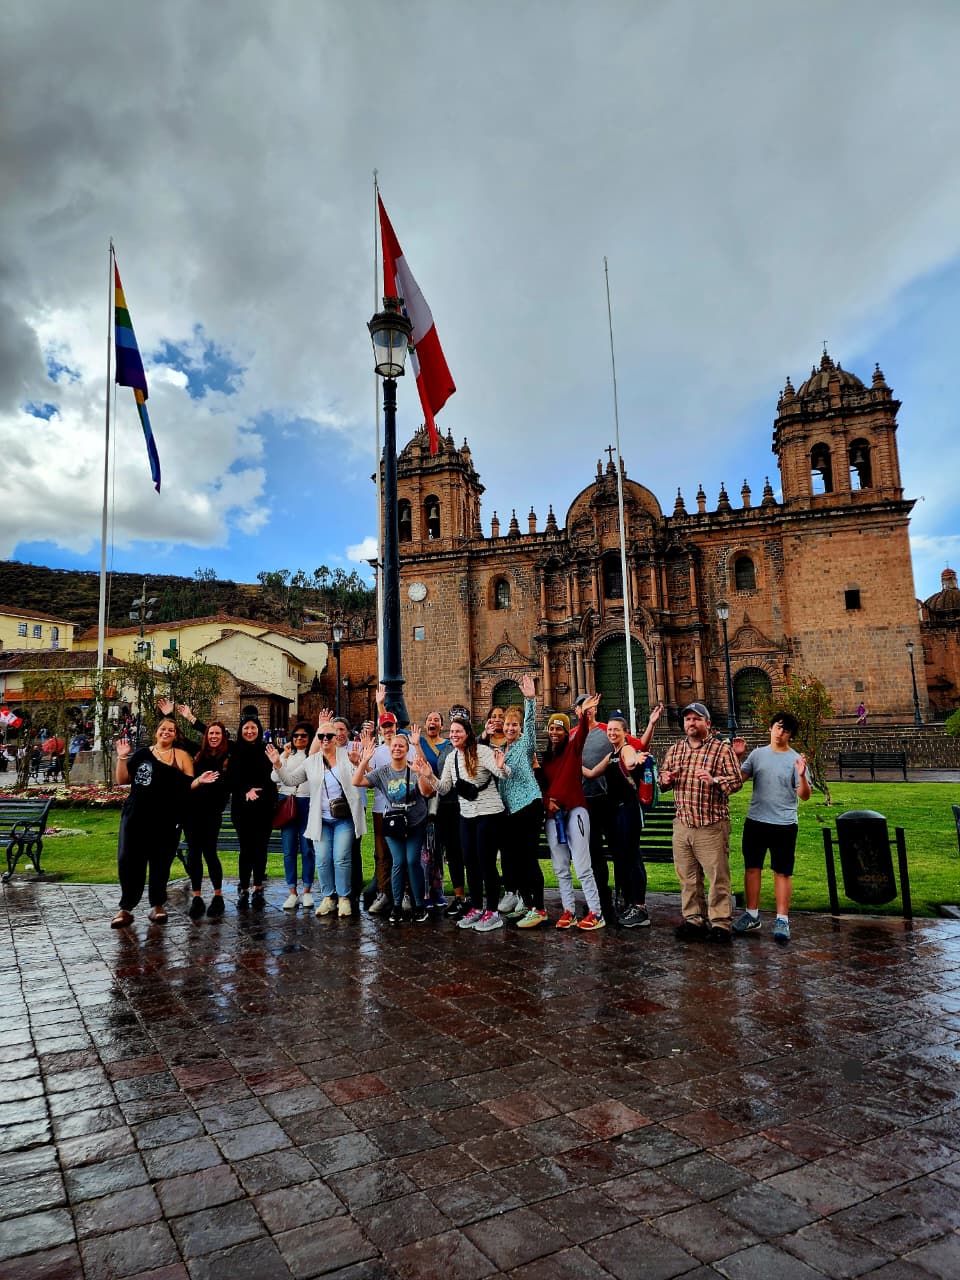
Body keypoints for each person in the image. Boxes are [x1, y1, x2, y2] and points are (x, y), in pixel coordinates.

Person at [111, 718, 217, 927]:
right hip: (136, 816)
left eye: (171, 729)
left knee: (161, 861)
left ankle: (157, 905)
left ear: (176, 734)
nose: (166, 732)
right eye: (162, 728)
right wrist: (122, 758)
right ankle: (125, 908)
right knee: (128, 860)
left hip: (167, 818)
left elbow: (188, 786)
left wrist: (200, 780)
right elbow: (122, 780)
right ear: (156, 732)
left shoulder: (182, 756)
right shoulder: (142, 755)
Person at [659, 702, 742, 944]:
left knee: (717, 877)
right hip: (683, 823)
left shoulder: (721, 750)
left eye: (696, 719)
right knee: (688, 877)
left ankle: (720, 923)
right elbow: (663, 782)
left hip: (711, 824)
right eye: (688, 720)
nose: (691, 723)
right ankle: (693, 919)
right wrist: (665, 779)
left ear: (707, 723)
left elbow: (736, 782)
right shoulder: (675, 750)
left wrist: (714, 780)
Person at [267, 718, 365, 917]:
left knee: (341, 858)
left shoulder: (347, 757)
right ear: (318, 739)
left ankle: (344, 898)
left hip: (343, 818)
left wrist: (359, 763)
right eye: (322, 736)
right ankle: (329, 897)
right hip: (321, 819)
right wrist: (278, 763)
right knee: (321, 859)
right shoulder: (311, 761)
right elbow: (291, 780)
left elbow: (361, 781)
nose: (326, 739)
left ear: (336, 738)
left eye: (329, 735)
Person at [731, 711, 811, 944]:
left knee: (782, 871)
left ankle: (782, 919)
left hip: (784, 824)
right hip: (756, 821)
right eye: (777, 727)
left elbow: (804, 796)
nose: (780, 732)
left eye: (785, 730)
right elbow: (737, 782)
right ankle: (752, 914)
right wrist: (737, 757)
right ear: (770, 728)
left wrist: (803, 776)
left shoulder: (795, 759)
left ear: (791, 735)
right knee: (752, 867)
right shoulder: (757, 755)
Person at [578, 699, 664, 918]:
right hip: (612, 810)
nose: (612, 733)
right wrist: (570, 761)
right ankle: (625, 903)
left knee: (630, 856)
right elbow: (590, 773)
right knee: (623, 855)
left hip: (628, 809)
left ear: (625, 732)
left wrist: (636, 757)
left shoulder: (625, 749)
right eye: (611, 730)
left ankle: (638, 906)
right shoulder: (611, 754)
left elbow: (632, 758)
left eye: (617, 730)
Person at [432, 715, 511, 931]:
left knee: (486, 862)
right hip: (467, 815)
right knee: (470, 861)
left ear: (468, 734)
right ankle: (476, 907)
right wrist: (427, 774)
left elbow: (504, 775)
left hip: (489, 813)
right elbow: (444, 788)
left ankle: (493, 912)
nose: (454, 735)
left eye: (458, 731)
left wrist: (502, 766)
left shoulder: (482, 752)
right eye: (452, 732)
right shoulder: (451, 758)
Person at [535, 693, 606, 930]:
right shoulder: (545, 760)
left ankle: (596, 912)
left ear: (566, 733)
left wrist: (583, 715)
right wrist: (548, 804)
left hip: (575, 812)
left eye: (559, 729)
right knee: (560, 866)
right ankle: (569, 910)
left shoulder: (573, 751)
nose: (555, 733)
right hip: (553, 816)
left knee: (583, 865)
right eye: (551, 729)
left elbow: (583, 733)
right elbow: (542, 788)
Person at [353, 727, 436, 925]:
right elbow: (357, 781)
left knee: (412, 861)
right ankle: (397, 905)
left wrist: (421, 774)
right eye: (394, 746)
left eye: (401, 746)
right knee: (398, 862)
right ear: (390, 749)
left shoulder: (412, 768)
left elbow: (426, 793)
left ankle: (418, 905)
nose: (397, 748)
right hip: (394, 823)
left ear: (407, 750)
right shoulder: (382, 772)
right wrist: (364, 759)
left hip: (415, 821)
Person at [499, 675, 547, 928]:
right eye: (508, 724)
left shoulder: (525, 745)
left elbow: (531, 725)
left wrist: (530, 700)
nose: (510, 728)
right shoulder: (501, 750)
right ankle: (527, 905)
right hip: (512, 811)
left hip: (529, 806)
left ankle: (539, 908)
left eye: (514, 725)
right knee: (516, 860)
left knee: (528, 858)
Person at [183, 720, 232, 918]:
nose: (213, 736)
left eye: (217, 733)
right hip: (192, 811)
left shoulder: (229, 756)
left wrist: (196, 721)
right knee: (193, 853)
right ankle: (196, 897)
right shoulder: (198, 753)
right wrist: (167, 715)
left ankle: (218, 896)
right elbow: (179, 738)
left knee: (210, 853)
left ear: (223, 736)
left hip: (212, 813)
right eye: (210, 733)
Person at [229, 715, 277, 910]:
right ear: (241, 730)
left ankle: (258, 887)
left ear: (259, 729)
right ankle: (244, 887)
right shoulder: (236, 750)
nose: (250, 731)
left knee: (261, 848)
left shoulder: (267, 749)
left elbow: (273, 775)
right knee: (246, 849)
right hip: (242, 807)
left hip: (264, 806)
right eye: (246, 728)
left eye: (253, 728)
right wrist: (246, 790)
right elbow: (232, 778)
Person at [272, 722, 316, 912]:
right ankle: (292, 891)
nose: (299, 739)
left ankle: (307, 890)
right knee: (289, 848)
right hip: (287, 801)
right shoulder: (287, 755)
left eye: (303, 736)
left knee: (307, 848)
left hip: (306, 802)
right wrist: (283, 756)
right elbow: (274, 777)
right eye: (296, 735)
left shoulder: (313, 756)